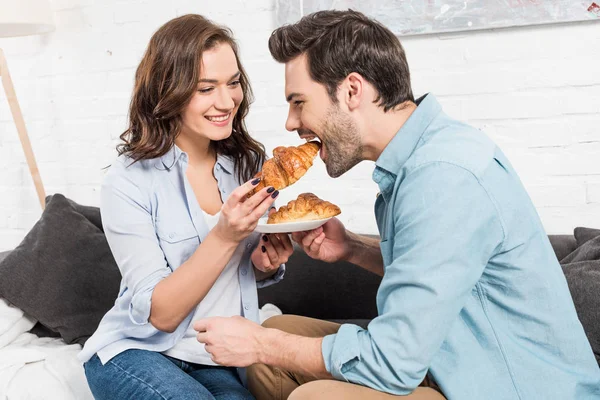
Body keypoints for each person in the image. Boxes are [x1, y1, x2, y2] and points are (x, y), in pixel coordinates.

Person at [192, 9, 600, 400]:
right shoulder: (421, 158)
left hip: (504, 387)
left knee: (307, 387)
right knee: (278, 337)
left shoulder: (442, 177)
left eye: (299, 102)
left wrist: (262, 343)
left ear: (352, 90)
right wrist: (352, 247)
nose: (291, 123)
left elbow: (392, 363)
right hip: (447, 357)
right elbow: (440, 269)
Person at [78, 14, 294, 400]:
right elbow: (162, 314)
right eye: (206, 88)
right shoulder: (127, 181)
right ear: (169, 90)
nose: (226, 101)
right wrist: (226, 235)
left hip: (216, 357)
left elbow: (234, 276)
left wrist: (263, 265)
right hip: (138, 351)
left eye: (233, 84)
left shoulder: (247, 164)